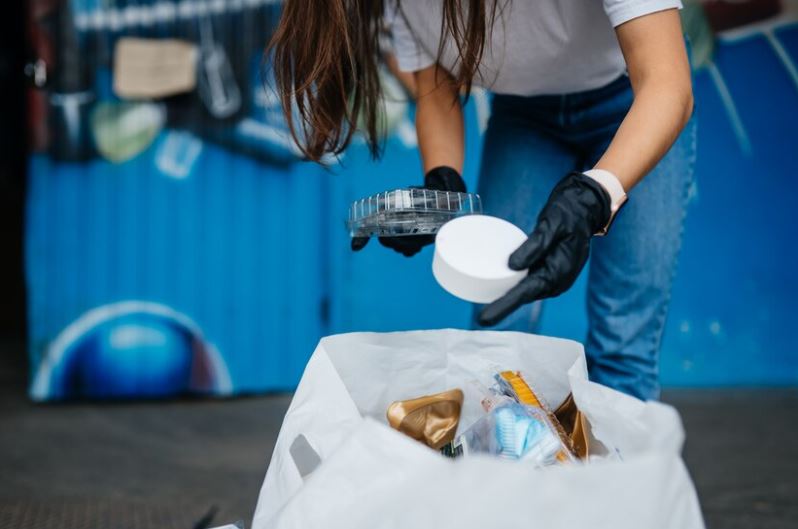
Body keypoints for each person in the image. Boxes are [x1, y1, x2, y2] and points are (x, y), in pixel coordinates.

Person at [268, 0, 696, 401]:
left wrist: (595, 195)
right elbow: (436, 85)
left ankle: (624, 481)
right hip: (525, 117)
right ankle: (507, 474)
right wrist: (443, 182)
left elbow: (666, 84)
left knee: (622, 345)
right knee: (499, 342)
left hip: (636, 100)